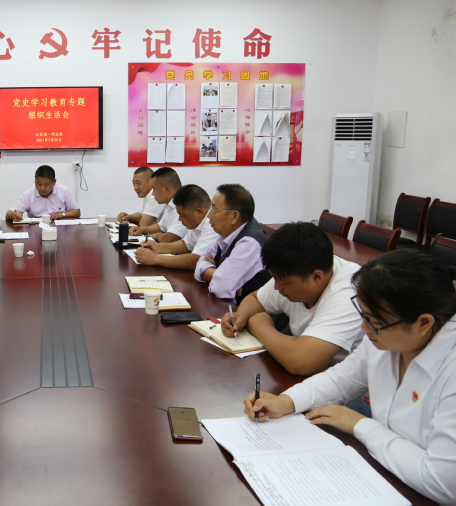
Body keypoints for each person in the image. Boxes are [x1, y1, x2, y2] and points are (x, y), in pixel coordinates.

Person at [244, 250, 456, 505]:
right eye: (363, 316)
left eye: (374, 321)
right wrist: (287, 401)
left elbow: (442, 481)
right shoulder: (388, 337)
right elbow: (342, 379)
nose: (365, 329)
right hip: (386, 474)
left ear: (424, 323)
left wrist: (361, 426)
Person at [222, 222, 363, 375]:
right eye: (274, 279)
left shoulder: (349, 293)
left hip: (349, 384)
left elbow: (301, 362)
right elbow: (255, 299)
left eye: (283, 283)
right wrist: (241, 317)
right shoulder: (297, 269)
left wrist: (261, 327)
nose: (276, 287)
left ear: (317, 277)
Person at [194, 184, 270, 303]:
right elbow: (200, 264)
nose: (209, 215)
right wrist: (221, 275)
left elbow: (220, 288)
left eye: (214, 210)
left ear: (234, 216)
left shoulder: (249, 243)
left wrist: (222, 277)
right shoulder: (227, 234)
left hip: (251, 311)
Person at [135, 184, 218, 270]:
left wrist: (154, 259)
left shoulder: (212, 224)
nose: (179, 219)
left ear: (198, 212)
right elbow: (186, 245)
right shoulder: (197, 222)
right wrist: (159, 247)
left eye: (182, 215)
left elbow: (196, 260)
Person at [130, 167, 188, 243]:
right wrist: (141, 230)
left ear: (166, 188)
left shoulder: (184, 205)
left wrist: (156, 235)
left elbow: (169, 238)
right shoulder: (169, 205)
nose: (153, 194)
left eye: (154, 189)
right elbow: (161, 226)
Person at [6, 165, 80, 221]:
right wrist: (14, 215)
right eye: (38, 183)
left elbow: (77, 212)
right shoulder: (28, 194)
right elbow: (8, 214)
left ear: (54, 182)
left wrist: (61, 215)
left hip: (60, 228)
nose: (42, 188)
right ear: (35, 181)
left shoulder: (64, 191)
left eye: (46, 184)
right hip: (35, 228)